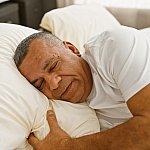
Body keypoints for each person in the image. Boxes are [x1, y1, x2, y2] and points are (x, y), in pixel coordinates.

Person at [14, 26, 150, 150]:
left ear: (73, 50)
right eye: (40, 84)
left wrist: (64, 146)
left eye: (53, 66)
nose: (53, 84)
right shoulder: (69, 112)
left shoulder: (114, 45)